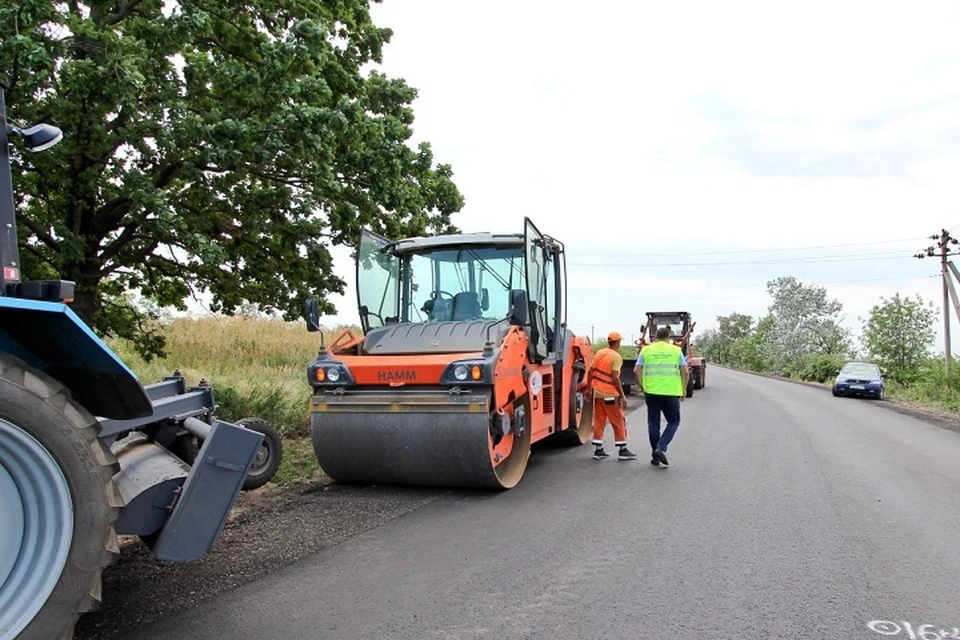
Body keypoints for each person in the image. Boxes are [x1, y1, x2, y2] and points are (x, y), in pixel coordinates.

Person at [634, 325, 689, 467]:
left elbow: (636, 370)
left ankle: (655, 456)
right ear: (669, 337)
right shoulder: (676, 351)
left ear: (656, 337)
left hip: (651, 392)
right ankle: (661, 447)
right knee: (673, 422)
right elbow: (686, 372)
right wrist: (683, 390)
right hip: (671, 393)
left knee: (653, 424)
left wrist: (642, 386)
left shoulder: (646, 350)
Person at [586, 331, 637, 460]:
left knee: (599, 420)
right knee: (618, 421)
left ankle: (598, 449)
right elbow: (615, 377)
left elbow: (590, 372)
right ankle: (622, 449)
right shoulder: (616, 357)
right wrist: (623, 395)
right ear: (618, 342)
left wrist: (588, 389)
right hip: (610, 394)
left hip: (597, 394)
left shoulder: (599, 353)